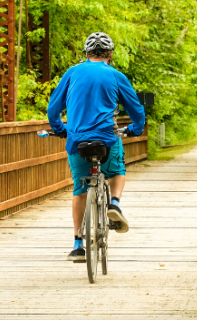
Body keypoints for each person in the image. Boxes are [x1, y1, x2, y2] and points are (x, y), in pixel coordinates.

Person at [47, 31, 146, 262]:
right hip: (107, 139)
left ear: (86, 53)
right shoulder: (115, 75)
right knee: (118, 171)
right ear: (110, 54)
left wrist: (62, 130)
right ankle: (114, 204)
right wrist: (136, 128)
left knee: (80, 188)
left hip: (77, 140)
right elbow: (136, 110)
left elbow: (53, 109)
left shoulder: (72, 73)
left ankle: (77, 243)